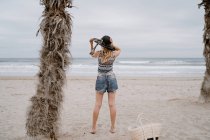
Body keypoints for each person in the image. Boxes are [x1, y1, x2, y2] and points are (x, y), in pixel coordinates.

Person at [89, 35, 121, 134]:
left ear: (102, 44)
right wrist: (109, 44)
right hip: (111, 78)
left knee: (98, 105)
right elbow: (119, 48)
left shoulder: (99, 53)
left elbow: (92, 53)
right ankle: (112, 128)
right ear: (110, 43)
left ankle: (94, 128)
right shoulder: (114, 53)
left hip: (101, 78)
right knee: (112, 104)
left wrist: (91, 43)